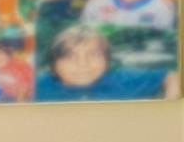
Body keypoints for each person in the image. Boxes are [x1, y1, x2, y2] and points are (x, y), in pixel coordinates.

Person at [34, 25, 177, 101]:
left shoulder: (124, 80)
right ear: (53, 64)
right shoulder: (37, 87)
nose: (83, 64)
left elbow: (171, 76)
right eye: (69, 56)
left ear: (107, 60)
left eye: (94, 54)